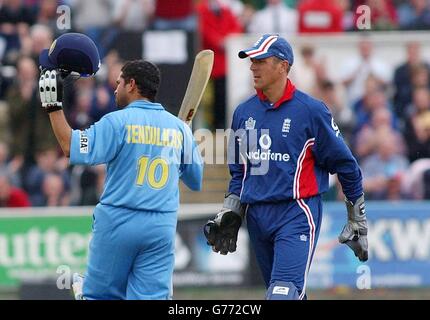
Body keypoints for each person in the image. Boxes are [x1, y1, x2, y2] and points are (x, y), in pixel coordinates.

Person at [38, 33, 203, 299]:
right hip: (161, 226)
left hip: (118, 222)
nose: (114, 90)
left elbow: (70, 147)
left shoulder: (117, 122)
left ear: (132, 85)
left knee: (99, 296)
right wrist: (187, 140)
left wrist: (53, 107)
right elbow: (196, 180)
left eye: (118, 83)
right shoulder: (179, 129)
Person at [203, 34, 368, 300]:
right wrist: (231, 209)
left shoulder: (312, 111)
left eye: (261, 60)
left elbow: (347, 165)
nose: (253, 66)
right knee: (287, 293)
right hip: (257, 217)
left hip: (297, 213)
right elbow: (240, 172)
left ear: (283, 65)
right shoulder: (242, 112)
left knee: (282, 293)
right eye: (251, 61)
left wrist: (357, 218)